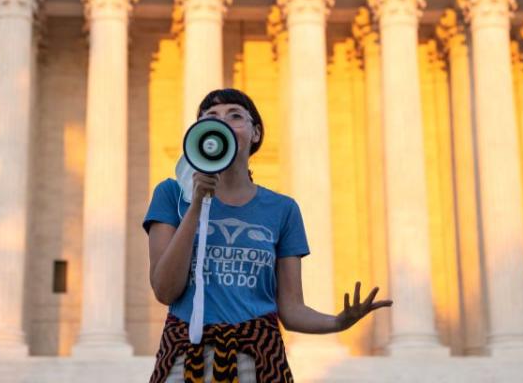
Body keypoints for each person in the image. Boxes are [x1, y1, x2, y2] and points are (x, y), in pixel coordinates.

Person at [143, 88, 391, 382]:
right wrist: (197, 204)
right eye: (211, 117)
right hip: (187, 360)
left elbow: (291, 308)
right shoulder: (172, 194)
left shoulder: (283, 209)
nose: (222, 121)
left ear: (256, 132)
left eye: (235, 115)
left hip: (257, 361)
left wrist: (338, 322)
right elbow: (165, 290)